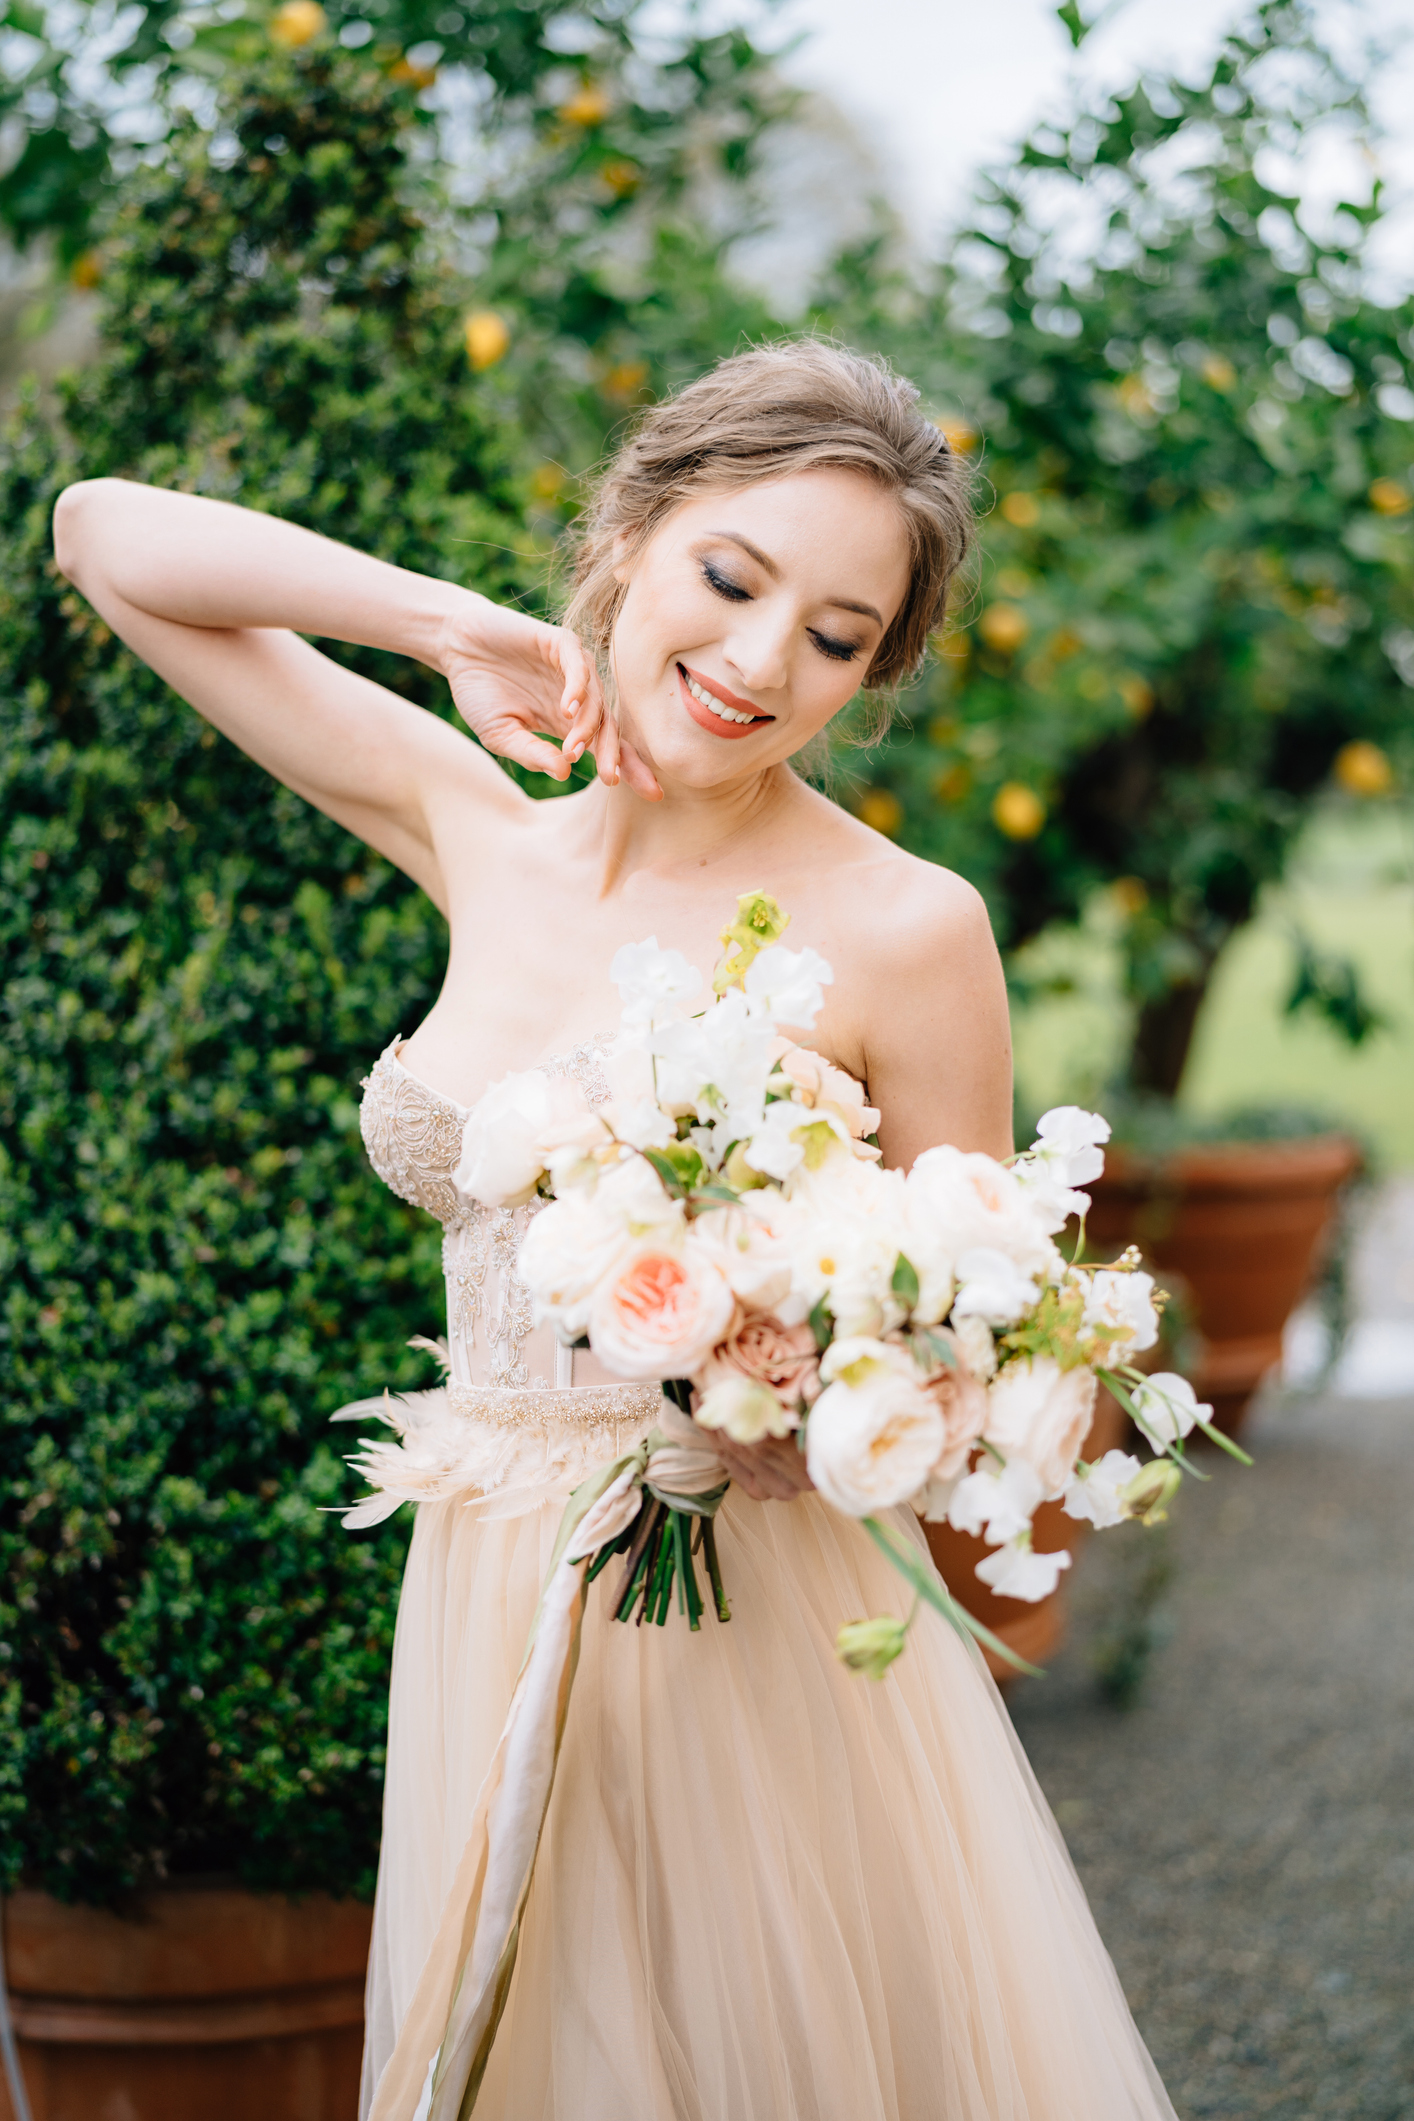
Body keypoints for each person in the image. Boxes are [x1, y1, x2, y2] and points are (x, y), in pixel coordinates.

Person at [54, 340, 1177, 2120]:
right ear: (633, 535)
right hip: (481, 1576)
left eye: (833, 635)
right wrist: (445, 627)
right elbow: (106, 532)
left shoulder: (907, 925)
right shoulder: (475, 831)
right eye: (729, 578)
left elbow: (979, 1358)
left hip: (741, 1623)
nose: (753, 662)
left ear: (872, 675)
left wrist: (809, 1387)